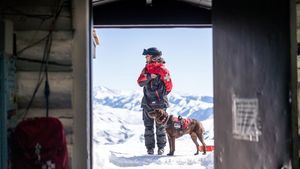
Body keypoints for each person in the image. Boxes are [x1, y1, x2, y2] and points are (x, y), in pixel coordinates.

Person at [137, 47, 173, 155]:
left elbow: (169, 86)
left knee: (161, 126)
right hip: (147, 102)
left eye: (147, 55)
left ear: (153, 57)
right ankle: (150, 149)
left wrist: (160, 96)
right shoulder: (146, 69)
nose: (145, 57)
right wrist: (149, 76)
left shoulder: (163, 70)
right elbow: (139, 82)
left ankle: (161, 148)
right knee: (148, 126)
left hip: (160, 103)